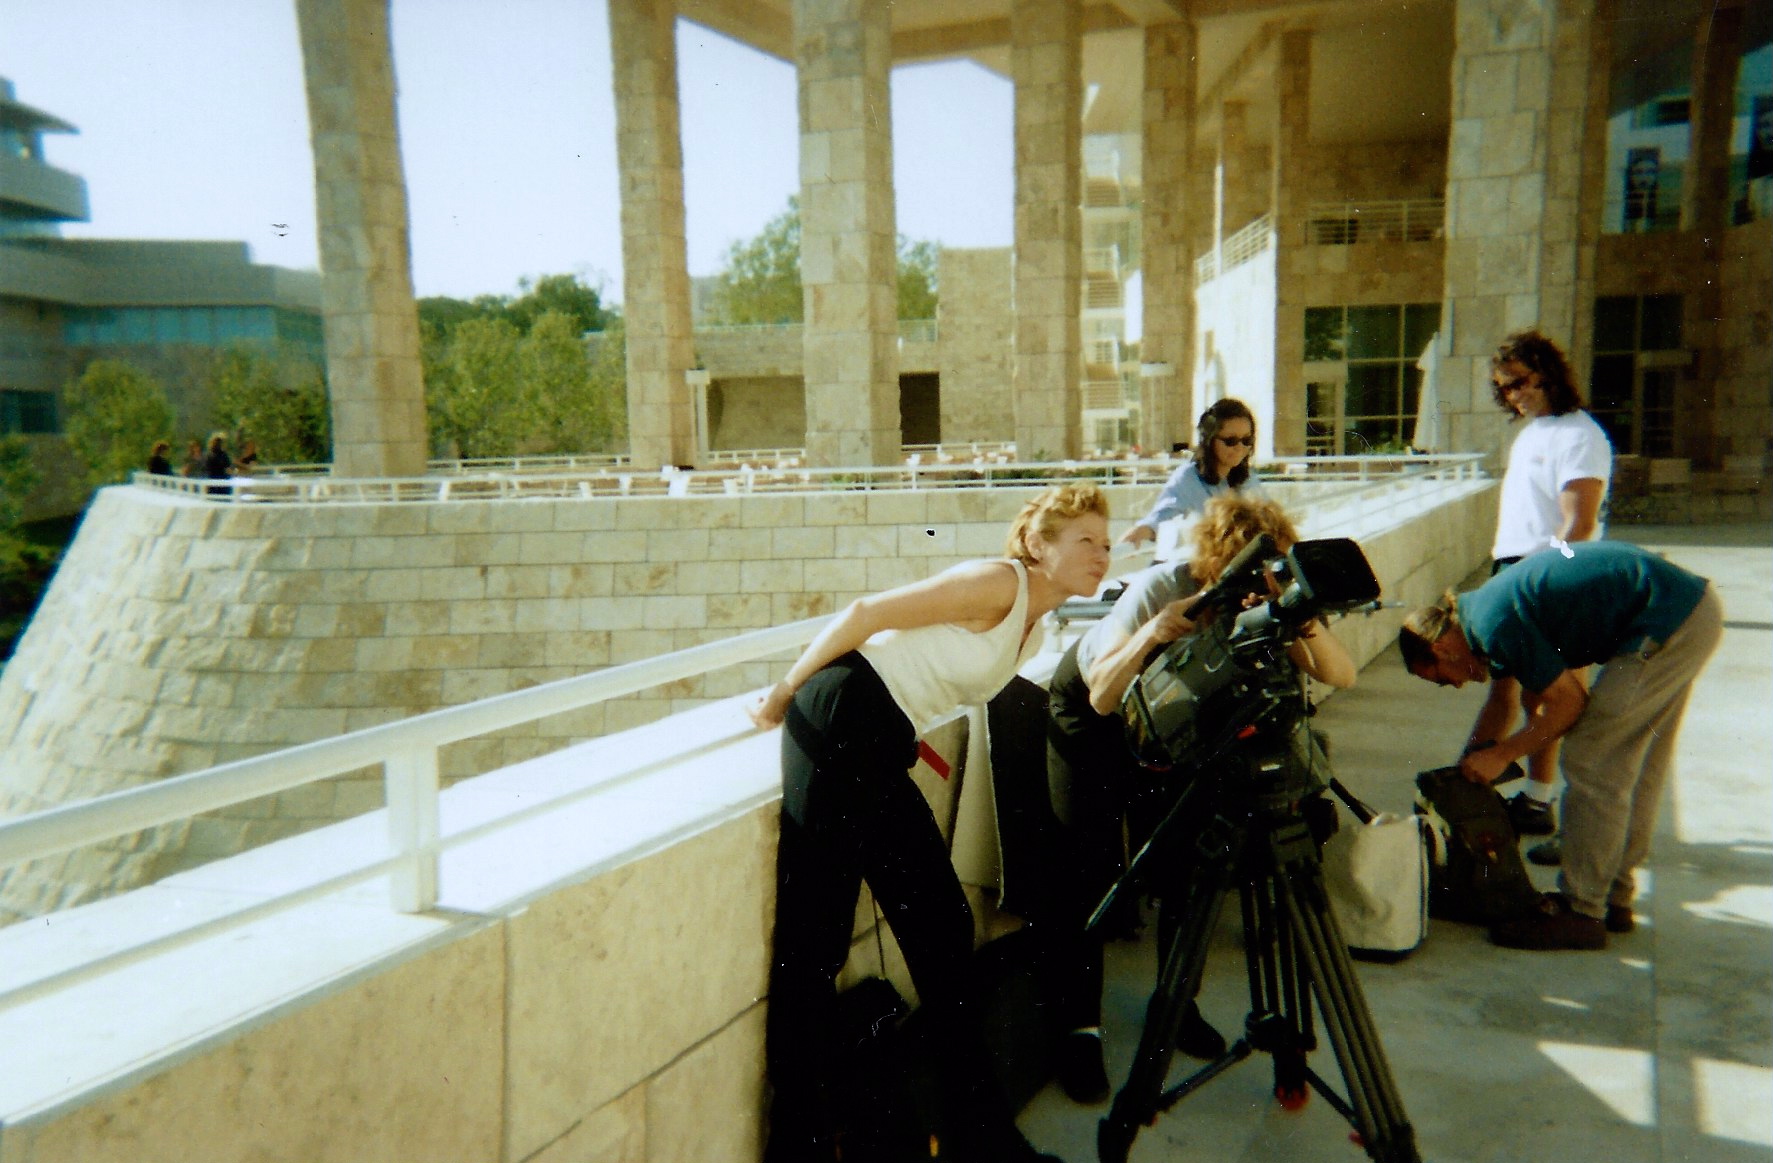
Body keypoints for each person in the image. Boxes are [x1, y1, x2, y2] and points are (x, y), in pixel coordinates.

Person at [747, 481, 1114, 1163]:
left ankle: (979, 1133)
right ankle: (793, 1144)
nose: (1101, 554)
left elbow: (923, 670)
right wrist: (783, 691)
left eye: (1106, 542)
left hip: (881, 739)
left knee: (943, 925)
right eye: (1084, 540)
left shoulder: (1032, 628)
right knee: (814, 942)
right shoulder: (996, 583)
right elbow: (865, 614)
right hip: (838, 716)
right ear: (1037, 545)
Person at [1043, 494, 1356, 1103]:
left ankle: (1176, 1001)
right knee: (1088, 868)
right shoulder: (1164, 587)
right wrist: (1158, 631)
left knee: (1189, 863)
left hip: (1177, 718)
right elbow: (1104, 694)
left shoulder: (1269, 597)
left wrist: (1298, 613)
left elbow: (1338, 675)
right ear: (1216, 564)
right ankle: (1079, 1029)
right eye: (1251, 575)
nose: (1259, 587)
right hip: (1095, 711)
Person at [1397, 541, 1722, 950]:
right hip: (1686, 610)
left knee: (1591, 759)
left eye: (1443, 677)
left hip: (1668, 621)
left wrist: (1502, 755)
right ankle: (1615, 898)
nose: (1456, 684)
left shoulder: (1493, 624)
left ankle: (1582, 910)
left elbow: (1569, 703)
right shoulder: (1477, 616)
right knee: (1635, 762)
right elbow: (1502, 702)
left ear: (1440, 648)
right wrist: (1472, 764)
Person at [1479, 331, 1612, 863]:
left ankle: (1571, 822)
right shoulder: (1534, 431)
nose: (1512, 395)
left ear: (1548, 372)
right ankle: (1535, 799)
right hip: (1515, 567)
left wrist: (1539, 585)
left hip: (1552, 577)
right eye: (1503, 389)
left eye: (1519, 382)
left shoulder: (1581, 436)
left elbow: (1577, 525)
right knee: (1510, 691)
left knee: (1562, 704)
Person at [1118, 398, 1263, 549]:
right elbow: (1161, 518)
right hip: (1204, 564)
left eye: (1246, 440)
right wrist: (1140, 532)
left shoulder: (1249, 478)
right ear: (1210, 440)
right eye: (1231, 441)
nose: (1239, 448)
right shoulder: (1188, 478)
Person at [202, 432, 233, 497]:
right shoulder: (223, 455)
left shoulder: (208, 455)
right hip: (223, 484)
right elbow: (228, 470)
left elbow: (205, 470)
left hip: (211, 484)